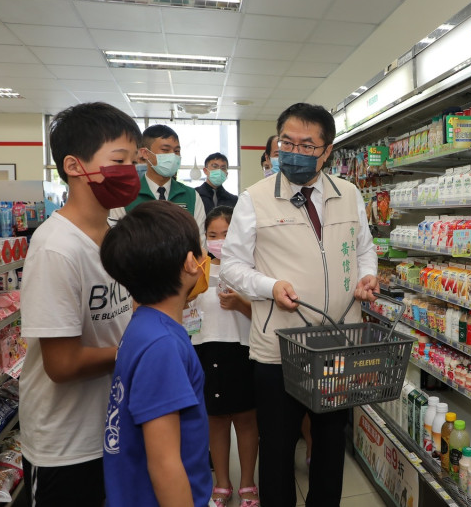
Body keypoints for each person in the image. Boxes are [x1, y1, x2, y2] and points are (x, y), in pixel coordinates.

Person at [222, 103, 378, 507]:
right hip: (279, 349)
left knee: (330, 443)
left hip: (339, 345)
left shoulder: (350, 194)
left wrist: (366, 276)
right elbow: (231, 267)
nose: (293, 151)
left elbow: (364, 250)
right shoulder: (254, 199)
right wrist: (269, 285)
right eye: (286, 142)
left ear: (327, 151)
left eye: (307, 145)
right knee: (277, 447)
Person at [19, 102, 142, 506]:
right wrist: (137, 350)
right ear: (74, 166)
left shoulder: (115, 232)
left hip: (111, 427)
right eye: (119, 160)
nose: (130, 171)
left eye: (133, 160)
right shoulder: (56, 249)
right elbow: (62, 365)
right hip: (65, 444)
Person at [100, 200, 212, 507]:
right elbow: (164, 464)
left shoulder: (144, 325)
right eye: (201, 248)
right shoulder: (162, 346)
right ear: (191, 263)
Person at [193, 206, 258, 507]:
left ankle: (248, 484)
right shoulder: (198, 269)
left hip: (242, 348)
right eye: (213, 235)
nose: (219, 241)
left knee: (246, 419)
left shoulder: (252, 270)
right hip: (205, 348)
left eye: (227, 234)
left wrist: (241, 304)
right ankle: (222, 483)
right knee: (215, 420)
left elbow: (264, 315)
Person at [110, 124, 206, 244]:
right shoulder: (125, 196)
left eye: (177, 151)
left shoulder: (191, 196)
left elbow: (199, 243)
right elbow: (117, 244)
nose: (173, 156)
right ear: (145, 153)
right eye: (165, 150)